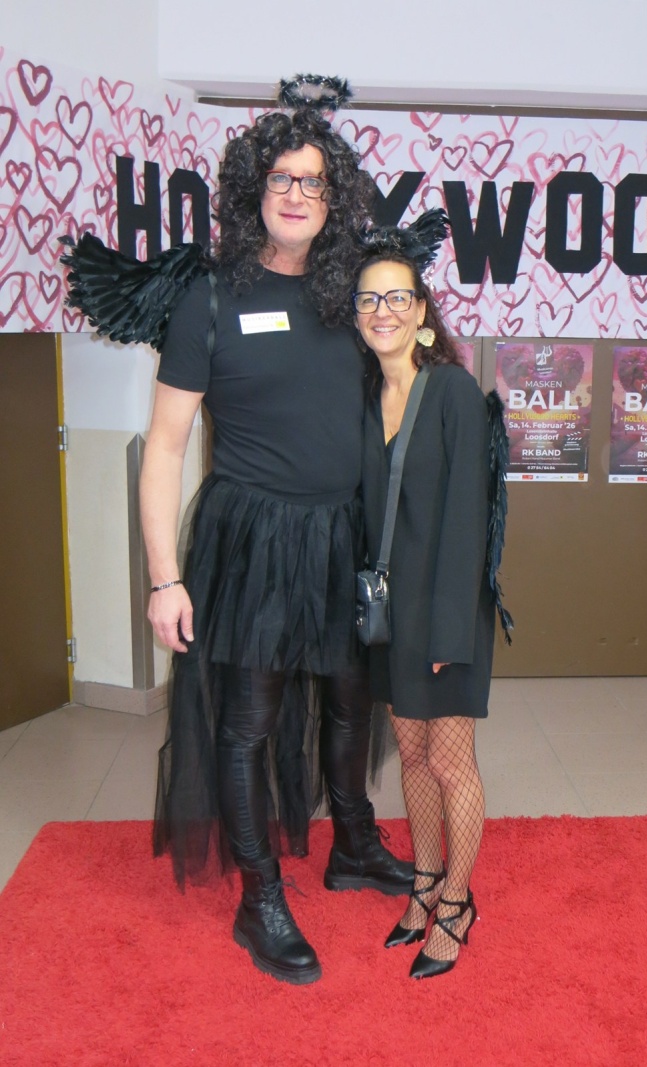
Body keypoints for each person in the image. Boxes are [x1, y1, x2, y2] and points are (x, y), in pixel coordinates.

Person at [138, 78, 412, 987]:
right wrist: (164, 578)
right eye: (282, 177)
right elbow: (165, 446)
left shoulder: (353, 297)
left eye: (314, 180)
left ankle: (353, 845)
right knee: (249, 722)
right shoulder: (209, 300)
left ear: (335, 198)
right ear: (253, 188)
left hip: (343, 535)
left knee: (350, 701)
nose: (297, 193)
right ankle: (259, 895)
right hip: (251, 539)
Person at [354, 222, 508, 980]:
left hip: (445, 611)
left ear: (421, 311)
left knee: (451, 762)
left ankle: (457, 902)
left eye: (397, 298)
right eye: (368, 299)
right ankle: (422, 883)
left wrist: (451, 631)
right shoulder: (364, 396)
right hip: (391, 614)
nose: (382, 311)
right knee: (411, 757)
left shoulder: (450, 390)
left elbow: (467, 519)